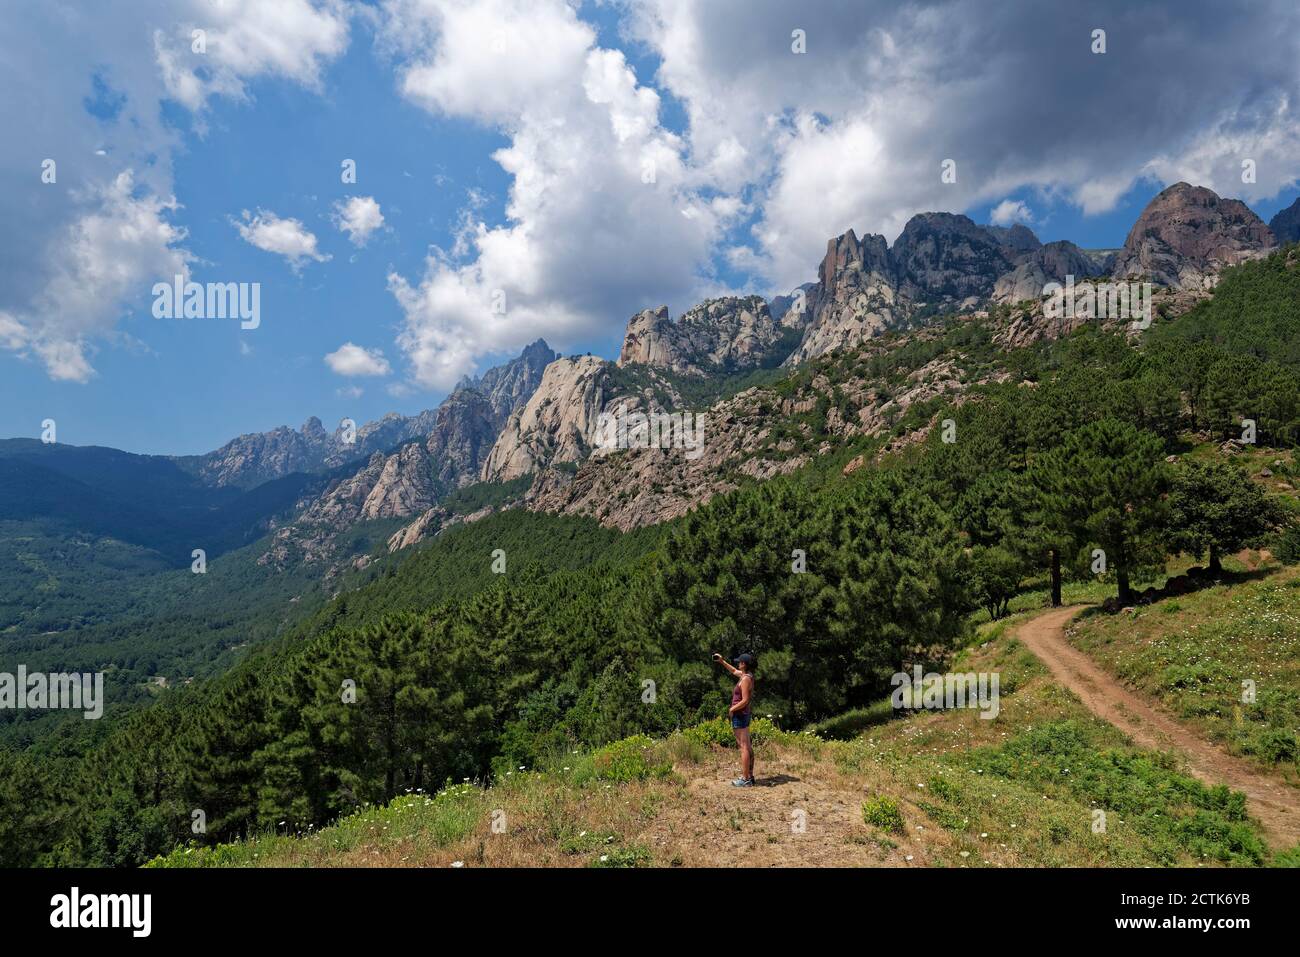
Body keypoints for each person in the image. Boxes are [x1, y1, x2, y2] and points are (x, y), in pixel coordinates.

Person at [713, 651, 755, 787]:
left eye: (739, 662)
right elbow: (733, 671)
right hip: (743, 714)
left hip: (740, 714)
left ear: (744, 664)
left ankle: (745, 779)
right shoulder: (745, 676)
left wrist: (732, 709)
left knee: (743, 747)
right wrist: (722, 661)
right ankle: (749, 776)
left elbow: (745, 700)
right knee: (747, 745)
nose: (738, 663)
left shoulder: (745, 679)